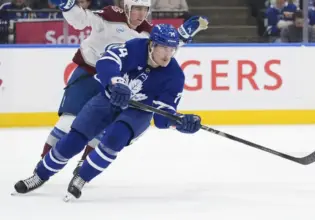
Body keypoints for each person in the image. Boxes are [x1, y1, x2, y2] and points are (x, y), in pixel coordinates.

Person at [14, 24, 202, 201]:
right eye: (164, 48)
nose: (168, 54)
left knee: (115, 138)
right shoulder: (135, 47)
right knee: (75, 139)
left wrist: (178, 122)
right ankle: (39, 176)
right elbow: (107, 61)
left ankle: (82, 178)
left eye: (172, 49)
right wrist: (115, 82)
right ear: (152, 44)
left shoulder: (175, 74)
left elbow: (162, 117)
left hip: (137, 112)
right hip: (110, 99)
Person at [34, 0, 208, 175]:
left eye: (145, 10)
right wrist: (68, 6)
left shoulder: (147, 32)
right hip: (89, 74)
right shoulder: (110, 16)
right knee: (67, 123)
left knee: (101, 128)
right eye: (137, 9)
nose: (141, 15)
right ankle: (44, 163)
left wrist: (180, 37)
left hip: (119, 83)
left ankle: (83, 165)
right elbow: (81, 19)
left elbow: (162, 49)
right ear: (127, 8)